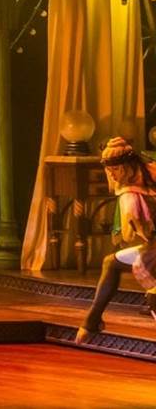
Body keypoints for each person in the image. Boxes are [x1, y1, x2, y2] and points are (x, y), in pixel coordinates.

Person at [76, 137, 156, 343]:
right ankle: (91, 321)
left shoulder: (132, 193)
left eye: (115, 169)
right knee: (111, 262)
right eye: (109, 170)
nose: (111, 174)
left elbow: (132, 229)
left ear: (126, 167)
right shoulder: (143, 178)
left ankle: (91, 322)